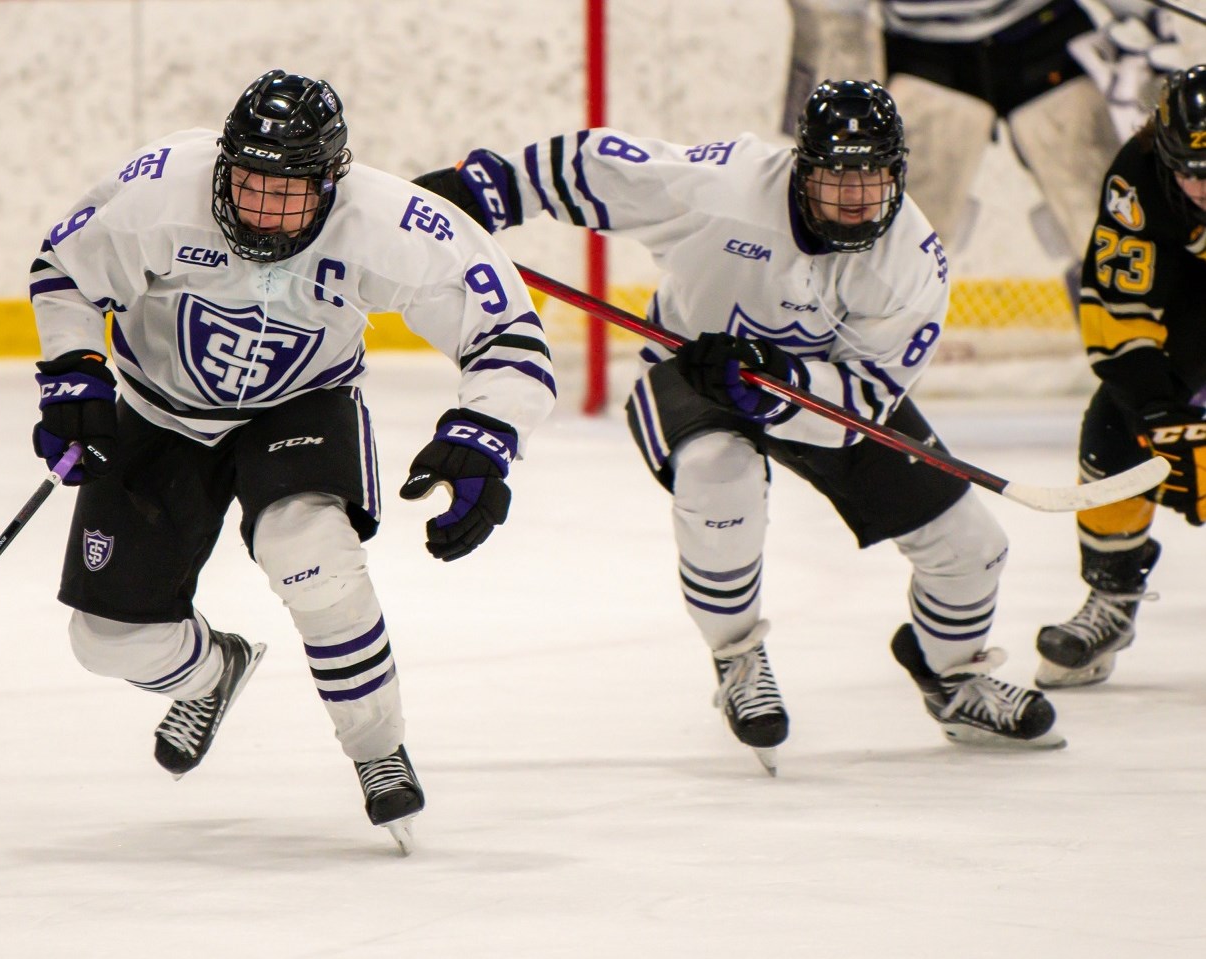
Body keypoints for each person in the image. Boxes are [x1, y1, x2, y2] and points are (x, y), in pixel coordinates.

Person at [414, 79, 1064, 773]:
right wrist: (485, 189)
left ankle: (953, 679)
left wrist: (783, 386)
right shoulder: (719, 188)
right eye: (835, 178)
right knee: (715, 477)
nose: (852, 197)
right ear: (799, 166)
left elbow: (865, 398)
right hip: (692, 368)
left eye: (870, 180)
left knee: (972, 545)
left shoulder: (910, 258)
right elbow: (595, 164)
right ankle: (736, 659)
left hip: (825, 396)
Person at [26, 69, 556, 849]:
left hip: (299, 406)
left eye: (290, 191)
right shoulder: (158, 189)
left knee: (311, 555)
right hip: (157, 410)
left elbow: (508, 335)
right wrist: (71, 372)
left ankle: (377, 749)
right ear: (221, 165)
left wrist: (483, 436)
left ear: (332, 180)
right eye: (247, 184)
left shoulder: (394, 222)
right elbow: (64, 270)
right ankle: (212, 674)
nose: (264, 211)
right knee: (107, 640)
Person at [782, 1, 1185, 302]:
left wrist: (1151, 29)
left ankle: (1145, 374)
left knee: (1112, 225)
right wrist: (835, 102)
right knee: (894, 240)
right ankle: (867, 376)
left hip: (1045, 35)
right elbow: (831, 13)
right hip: (925, 53)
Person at [1035, 64, 1206, 689]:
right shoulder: (1140, 173)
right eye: (1187, 169)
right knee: (1116, 424)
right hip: (1192, 299)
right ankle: (1112, 600)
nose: (1199, 186)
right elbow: (1116, 304)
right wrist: (1156, 407)